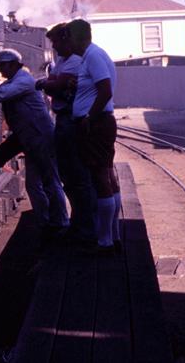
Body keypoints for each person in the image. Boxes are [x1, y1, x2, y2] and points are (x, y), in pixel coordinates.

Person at [0, 48, 69, 242]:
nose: (0, 68)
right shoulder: (14, 79)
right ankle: (41, 221)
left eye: (3, 65)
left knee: (49, 181)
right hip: (24, 135)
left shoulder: (24, 81)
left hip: (39, 135)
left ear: (13, 64)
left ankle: (61, 223)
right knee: (0, 164)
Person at [36, 24, 98, 248]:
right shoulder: (62, 61)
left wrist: (49, 83)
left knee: (79, 176)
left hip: (72, 120)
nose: (53, 47)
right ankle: (79, 224)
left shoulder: (74, 61)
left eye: (56, 42)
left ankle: (87, 230)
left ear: (66, 39)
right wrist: (51, 83)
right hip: (62, 119)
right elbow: (53, 83)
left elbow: (56, 85)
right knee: (69, 177)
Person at [67, 19, 120, 253]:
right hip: (99, 122)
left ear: (76, 37)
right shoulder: (95, 55)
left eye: (67, 38)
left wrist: (88, 116)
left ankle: (105, 241)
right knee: (107, 176)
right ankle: (112, 236)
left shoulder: (94, 56)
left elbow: (105, 89)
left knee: (100, 178)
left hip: (96, 124)